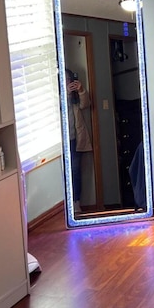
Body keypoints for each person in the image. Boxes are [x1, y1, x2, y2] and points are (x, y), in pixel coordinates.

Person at [65, 69, 92, 214]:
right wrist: (65, 94)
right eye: (65, 79)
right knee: (63, 172)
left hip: (75, 139)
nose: (68, 82)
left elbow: (85, 105)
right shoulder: (54, 95)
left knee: (75, 171)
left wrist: (81, 90)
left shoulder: (76, 96)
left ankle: (76, 203)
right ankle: (64, 203)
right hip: (61, 141)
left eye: (69, 79)